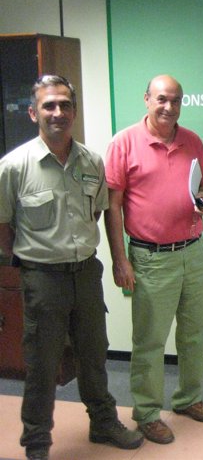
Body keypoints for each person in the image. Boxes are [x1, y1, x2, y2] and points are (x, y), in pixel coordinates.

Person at [0, 75, 144, 460]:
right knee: (42, 365)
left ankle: (103, 422)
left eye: (64, 105)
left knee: (94, 354)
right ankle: (36, 441)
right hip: (42, 278)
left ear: (74, 112)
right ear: (34, 112)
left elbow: (96, 213)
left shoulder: (92, 161)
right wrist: (29, 263)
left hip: (85, 274)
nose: (57, 112)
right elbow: (3, 225)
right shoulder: (13, 167)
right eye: (48, 105)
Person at [104, 75, 203, 445]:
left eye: (176, 100)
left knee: (196, 333)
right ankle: (148, 413)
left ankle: (188, 399)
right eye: (162, 99)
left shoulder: (192, 141)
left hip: (194, 253)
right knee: (150, 341)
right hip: (150, 258)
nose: (169, 107)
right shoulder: (124, 143)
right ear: (147, 99)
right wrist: (121, 260)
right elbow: (113, 205)